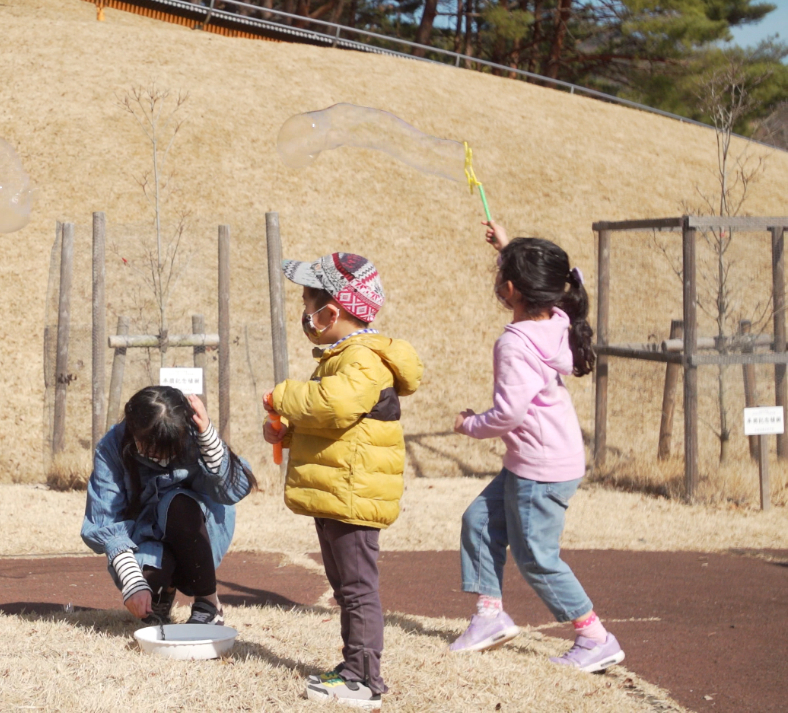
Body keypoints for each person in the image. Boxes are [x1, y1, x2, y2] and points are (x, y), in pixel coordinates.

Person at [449, 221, 625, 673]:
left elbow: (508, 414)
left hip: (540, 469)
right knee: (480, 521)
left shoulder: (515, 344)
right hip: (544, 459)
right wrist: (507, 246)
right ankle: (490, 616)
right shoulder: (558, 317)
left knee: (537, 559)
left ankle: (594, 637)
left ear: (509, 289)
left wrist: (470, 424)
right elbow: (544, 288)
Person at [263, 253, 422, 710]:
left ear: (331, 313)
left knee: (356, 588)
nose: (303, 311)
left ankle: (364, 679)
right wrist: (288, 431)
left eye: (307, 301)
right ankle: (353, 667)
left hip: (353, 494)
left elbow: (334, 405)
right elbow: (337, 423)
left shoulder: (362, 360)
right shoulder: (342, 357)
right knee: (345, 585)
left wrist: (285, 395)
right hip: (339, 492)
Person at [81, 386, 255, 626]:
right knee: (144, 581)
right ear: (134, 433)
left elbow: (234, 490)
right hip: (145, 537)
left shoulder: (195, 434)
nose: (162, 459)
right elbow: (106, 522)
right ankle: (162, 594)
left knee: (177, 503)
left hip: (199, 530)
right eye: (151, 450)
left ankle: (208, 603)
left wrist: (209, 439)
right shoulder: (112, 447)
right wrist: (133, 582)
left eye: (171, 450)